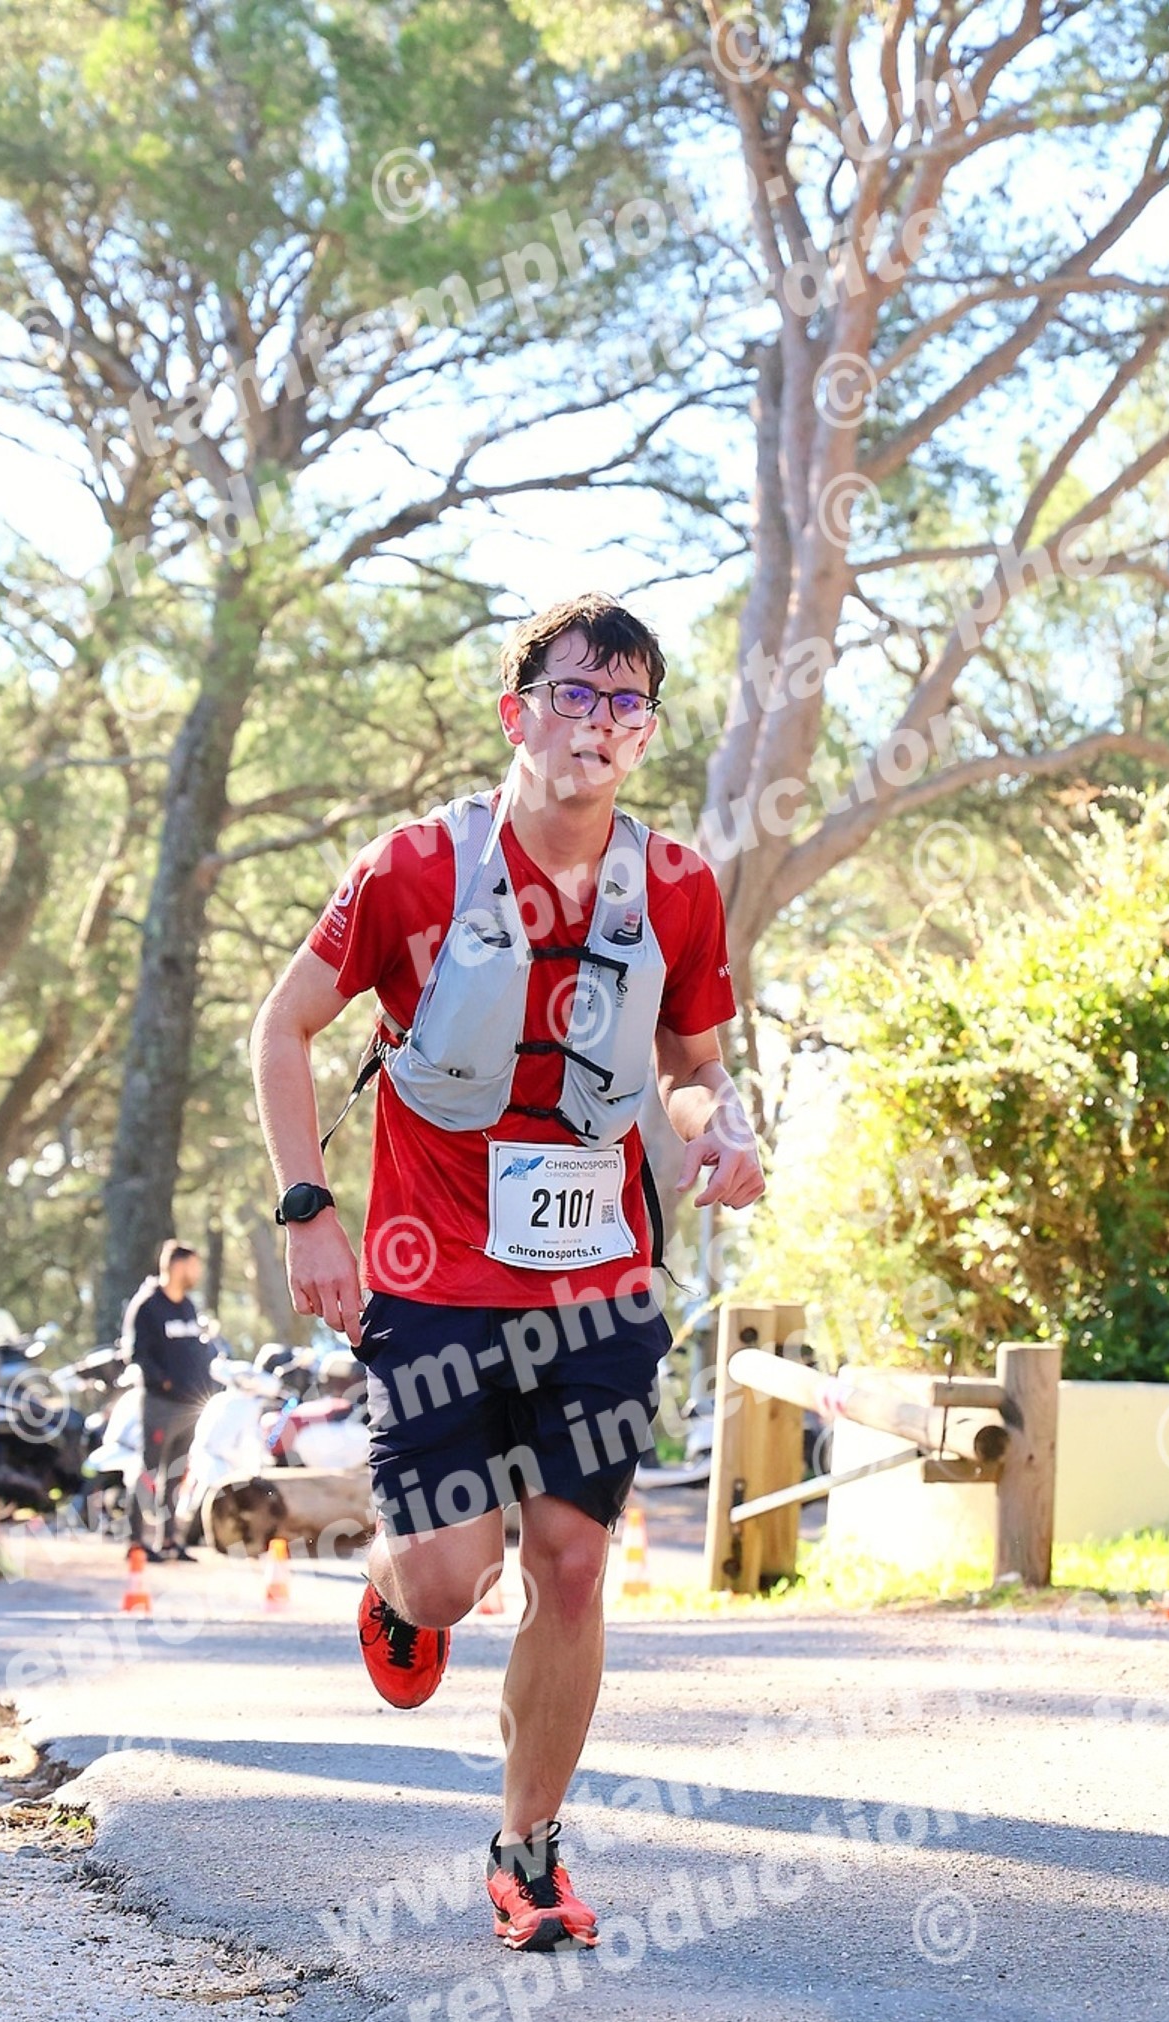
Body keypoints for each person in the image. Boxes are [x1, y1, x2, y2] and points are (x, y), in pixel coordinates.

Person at [251, 592, 764, 1952]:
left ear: (645, 732)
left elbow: (692, 1068)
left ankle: (528, 1851)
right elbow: (282, 1026)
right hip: (434, 1280)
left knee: (573, 1562)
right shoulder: (417, 866)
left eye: (627, 703)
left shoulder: (676, 885)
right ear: (517, 713)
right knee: (449, 1576)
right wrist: (308, 1210)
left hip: (598, 1278)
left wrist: (724, 1132)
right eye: (575, 694)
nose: (599, 723)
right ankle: (394, 1588)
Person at [119, 1239, 217, 1561]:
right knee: (148, 1470)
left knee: (177, 1474)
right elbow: (136, 1354)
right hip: (160, 1404)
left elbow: (197, 1351)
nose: (197, 1272)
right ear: (176, 1266)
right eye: (193, 1266)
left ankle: (169, 1540)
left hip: (190, 1406)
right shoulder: (147, 1305)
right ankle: (135, 1540)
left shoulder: (188, 1307)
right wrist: (164, 1382)